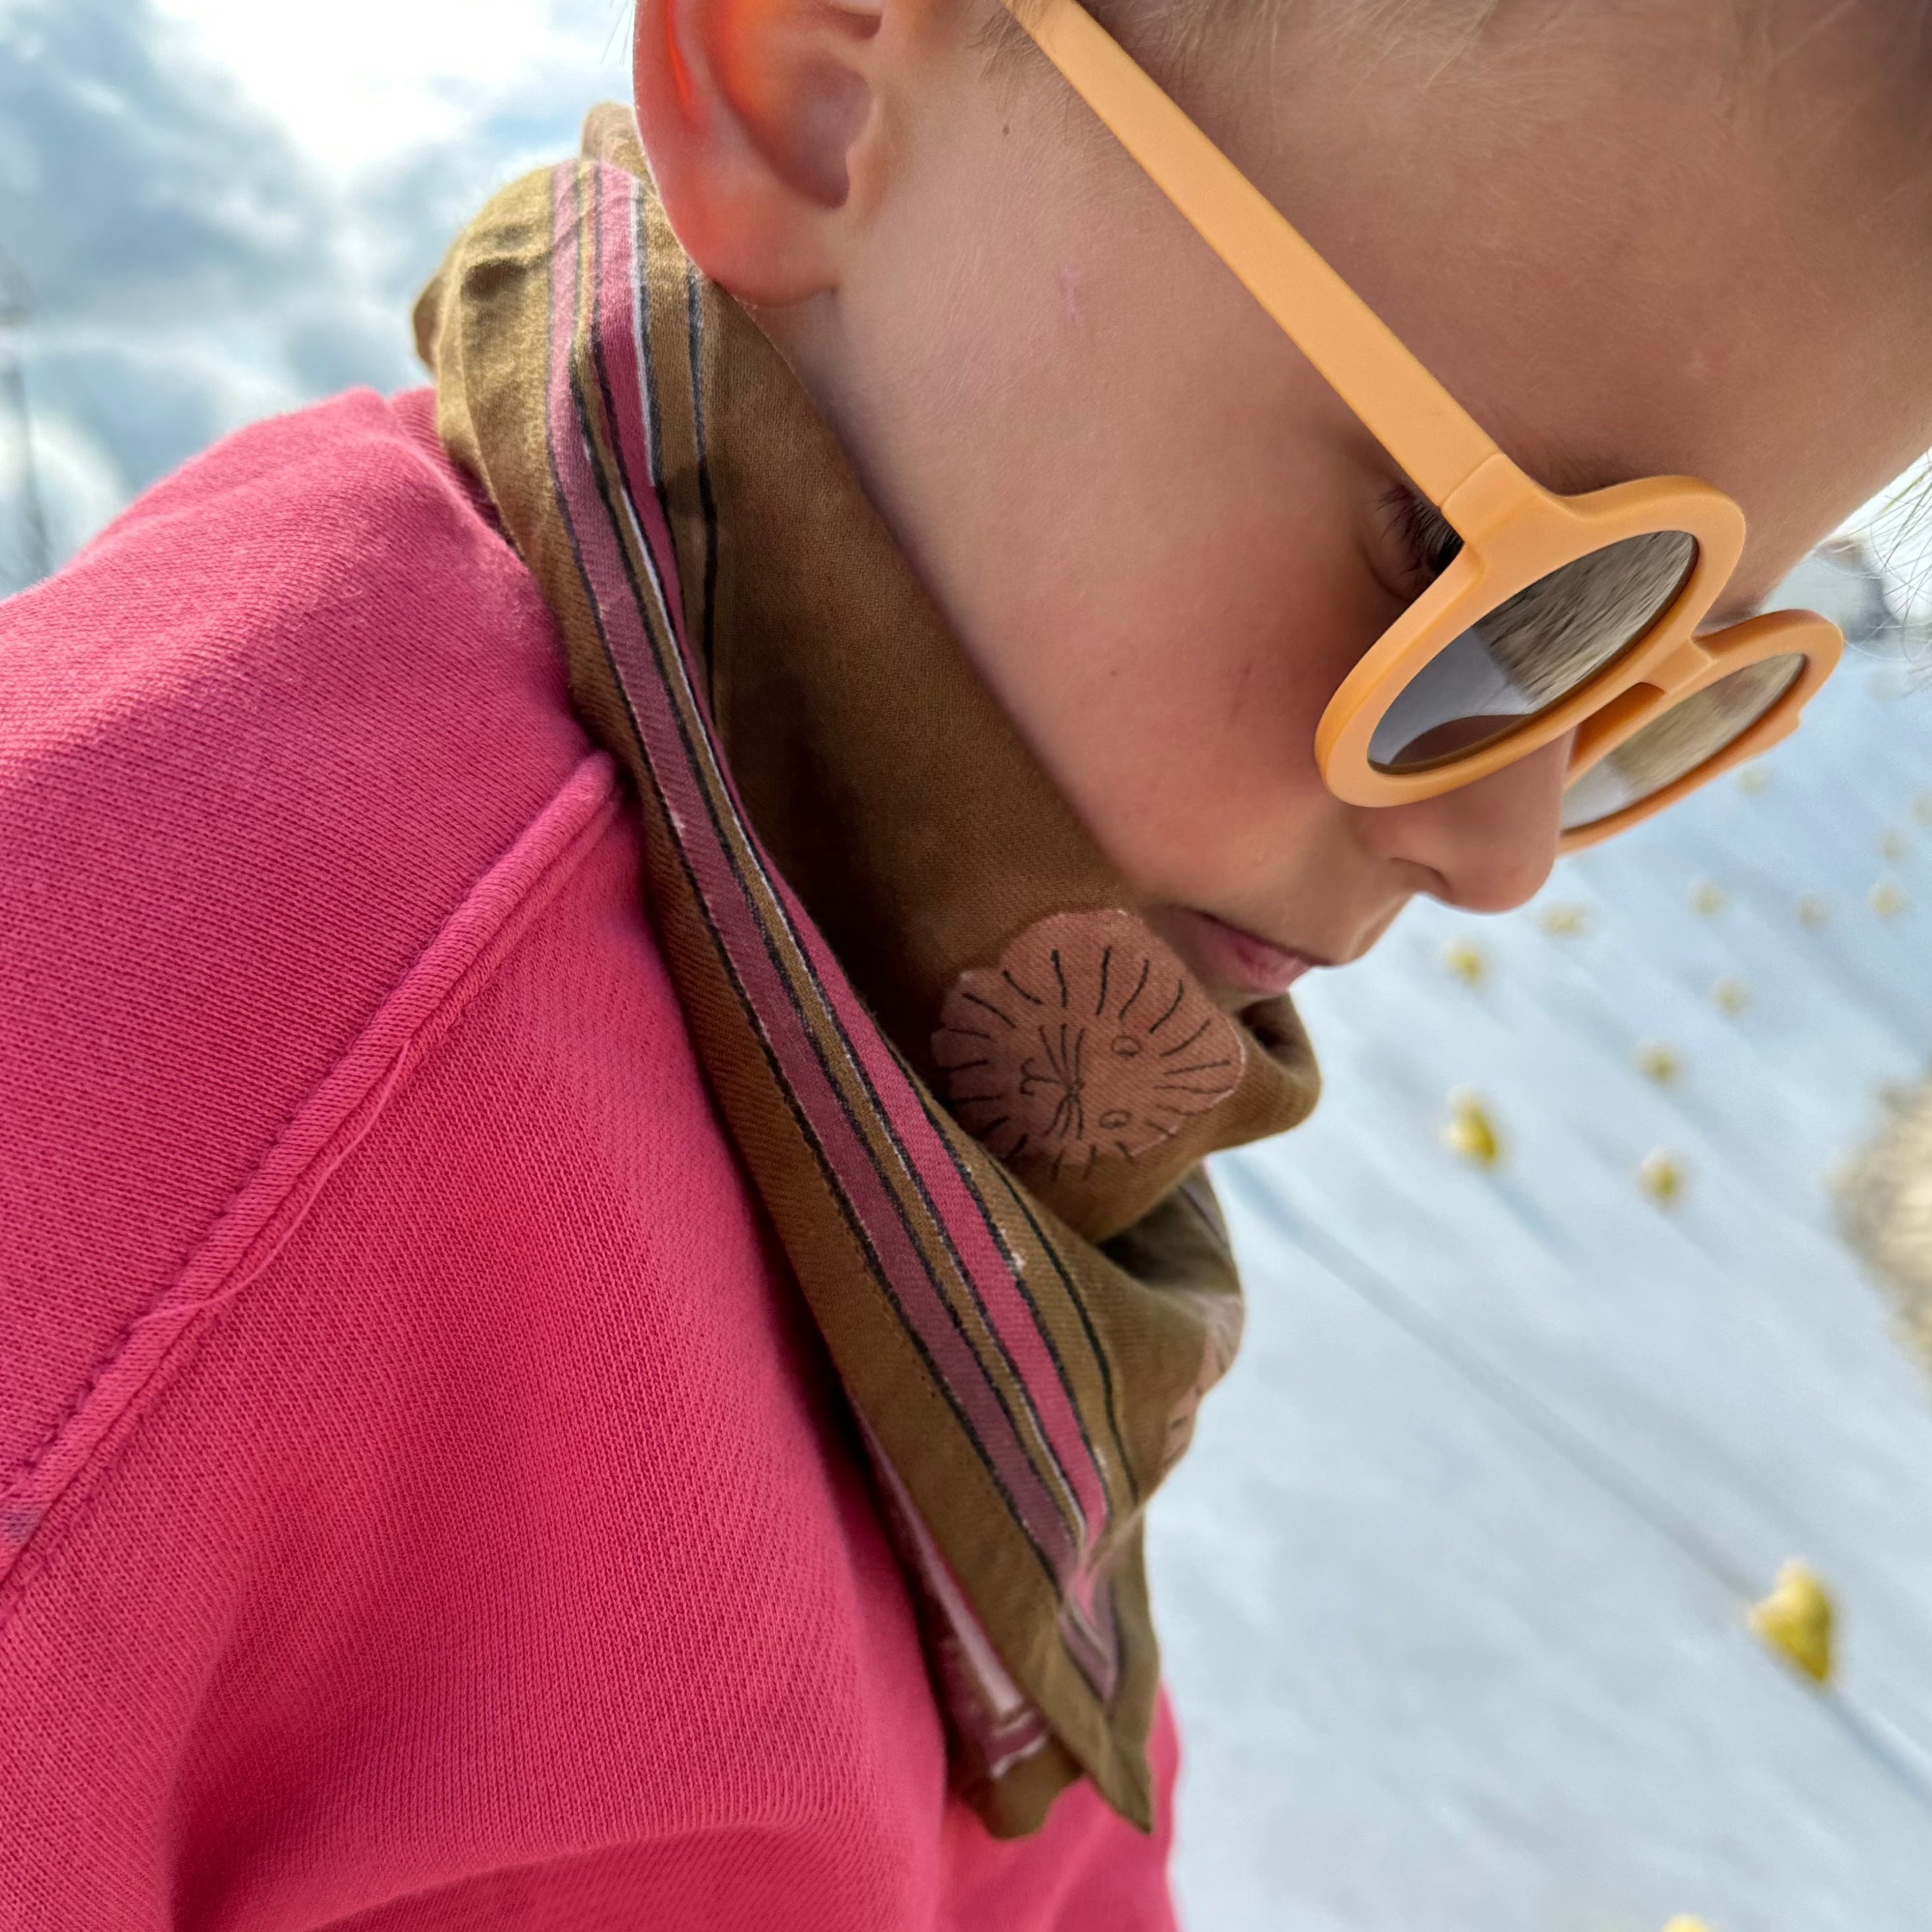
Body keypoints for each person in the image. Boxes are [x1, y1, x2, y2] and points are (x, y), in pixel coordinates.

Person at [3, 0, 1930, 1924]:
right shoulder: (172, 1106)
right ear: (808, 93)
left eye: (1661, 686)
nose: (1500, 849)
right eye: (1467, 569)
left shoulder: (920, 1039)